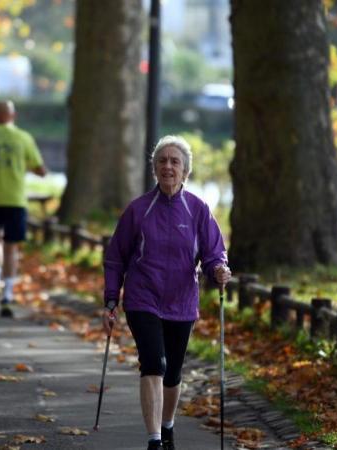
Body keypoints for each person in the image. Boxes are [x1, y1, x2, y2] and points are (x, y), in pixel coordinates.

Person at [102, 135, 232, 450]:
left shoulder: (198, 209)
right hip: (142, 297)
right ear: (154, 168)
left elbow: (214, 252)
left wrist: (219, 269)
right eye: (162, 161)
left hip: (181, 301)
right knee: (153, 363)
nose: (168, 166)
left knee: (172, 371)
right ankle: (154, 440)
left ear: (186, 171)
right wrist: (110, 300)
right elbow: (116, 256)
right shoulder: (139, 210)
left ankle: (168, 425)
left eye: (175, 162)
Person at [0, 100, 47, 318]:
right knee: (11, 246)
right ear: (13, 116)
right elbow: (40, 169)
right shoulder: (23, 138)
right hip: (15, 198)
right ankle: (8, 294)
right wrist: (32, 169)